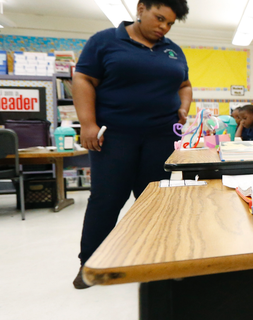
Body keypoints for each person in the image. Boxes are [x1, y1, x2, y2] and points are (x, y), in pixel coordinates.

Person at [72, 0, 191, 289]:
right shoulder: (104, 41)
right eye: (159, 18)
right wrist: (87, 124)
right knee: (107, 199)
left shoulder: (173, 50)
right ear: (140, 8)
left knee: (155, 201)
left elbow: (184, 85)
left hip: (162, 137)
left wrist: (184, 108)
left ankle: (157, 257)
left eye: (170, 23)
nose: (164, 27)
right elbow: (83, 78)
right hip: (115, 137)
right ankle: (91, 264)